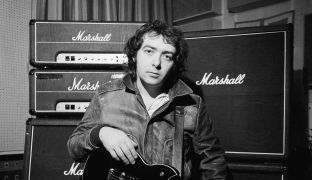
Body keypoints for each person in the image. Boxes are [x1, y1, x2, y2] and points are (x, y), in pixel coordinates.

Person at [67, 20, 227, 180]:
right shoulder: (106, 96)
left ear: (174, 63)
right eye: (149, 51)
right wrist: (100, 133)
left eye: (167, 56)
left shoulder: (191, 105)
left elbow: (213, 162)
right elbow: (74, 148)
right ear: (134, 55)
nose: (156, 63)